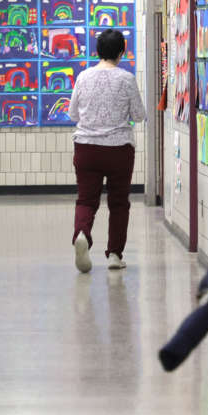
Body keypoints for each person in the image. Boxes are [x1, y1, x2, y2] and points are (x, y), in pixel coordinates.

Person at [68, 29, 146, 273]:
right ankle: (114, 254)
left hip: (86, 148)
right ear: (121, 52)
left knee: (86, 199)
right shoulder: (126, 79)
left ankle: (82, 234)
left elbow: (72, 114)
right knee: (119, 203)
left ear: (97, 51)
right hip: (118, 151)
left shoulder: (83, 77)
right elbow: (139, 115)